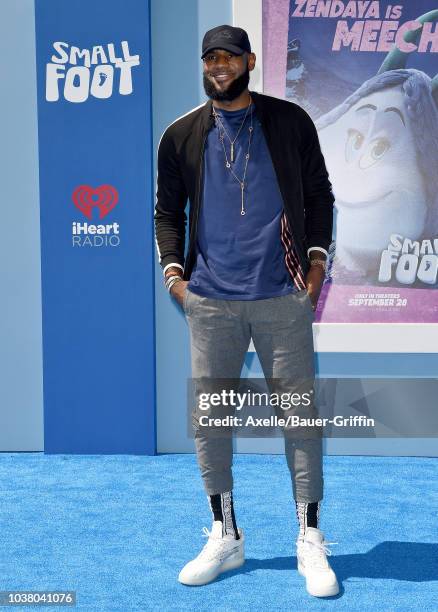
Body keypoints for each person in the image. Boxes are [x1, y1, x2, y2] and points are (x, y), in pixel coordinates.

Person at [154, 24, 339, 598]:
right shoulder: (180, 136)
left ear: (250, 61)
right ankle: (225, 532)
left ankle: (309, 538)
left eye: (229, 57)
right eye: (210, 58)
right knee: (210, 423)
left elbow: (320, 195)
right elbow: (167, 214)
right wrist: (175, 278)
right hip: (210, 303)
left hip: (283, 298)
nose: (218, 66)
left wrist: (314, 265)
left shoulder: (289, 122)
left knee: (300, 421)